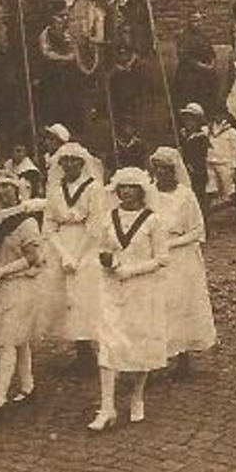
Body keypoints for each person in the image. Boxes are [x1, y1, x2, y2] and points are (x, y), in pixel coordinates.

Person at [89, 168, 170, 431]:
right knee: (108, 345)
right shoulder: (108, 218)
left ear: (141, 191)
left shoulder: (153, 220)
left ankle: (137, 397)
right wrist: (107, 261)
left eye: (132, 187)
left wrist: (130, 270)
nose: (126, 191)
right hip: (112, 289)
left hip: (142, 288)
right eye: (122, 187)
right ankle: (107, 407)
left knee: (139, 344)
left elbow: (162, 259)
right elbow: (101, 248)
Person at [147, 147, 217, 375]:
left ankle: (182, 356)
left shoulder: (185, 195)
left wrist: (171, 244)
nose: (160, 173)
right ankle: (159, 354)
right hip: (154, 255)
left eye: (165, 169)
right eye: (156, 169)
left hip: (181, 256)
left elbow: (197, 230)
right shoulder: (149, 193)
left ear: (174, 171)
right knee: (157, 304)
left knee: (180, 303)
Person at [0, 174, 46, 417]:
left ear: (17, 190)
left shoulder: (26, 222)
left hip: (20, 286)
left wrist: (1, 271)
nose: (3, 191)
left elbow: (32, 258)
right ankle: (28, 386)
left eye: (7, 186)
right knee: (19, 338)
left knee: (6, 341)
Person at [39, 143, 104, 372]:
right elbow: (48, 223)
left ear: (82, 163)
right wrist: (63, 253)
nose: (68, 165)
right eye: (64, 161)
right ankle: (81, 349)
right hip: (61, 245)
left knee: (86, 296)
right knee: (66, 298)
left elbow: (95, 225)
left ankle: (96, 349)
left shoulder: (93, 188)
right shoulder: (55, 190)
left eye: (73, 160)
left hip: (86, 246)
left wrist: (76, 256)